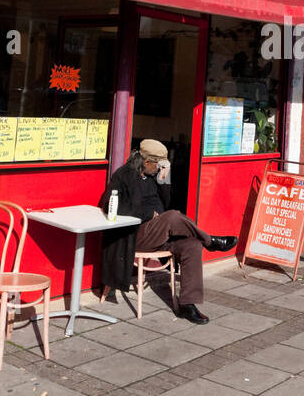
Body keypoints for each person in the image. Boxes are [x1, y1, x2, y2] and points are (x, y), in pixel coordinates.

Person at [99, 139, 236, 325]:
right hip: (137, 235)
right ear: (146, 162)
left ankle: (187, 304)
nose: (160, 168)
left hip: (160, 232)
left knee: (192, 245)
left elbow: (165, 202)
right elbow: (110, 206)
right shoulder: (123, 176)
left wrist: (164, 180)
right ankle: (210, 240)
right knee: (173, 216)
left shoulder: (154, 175)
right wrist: (148, 213)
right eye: (159, 165)